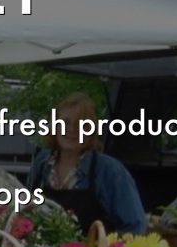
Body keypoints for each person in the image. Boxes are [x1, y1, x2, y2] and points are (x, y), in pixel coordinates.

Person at [27, 92, 148, 235]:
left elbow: (135, 226)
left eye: (80, 124)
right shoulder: (41, 163)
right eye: (65, 122)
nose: (71, 129)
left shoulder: (110, 171)